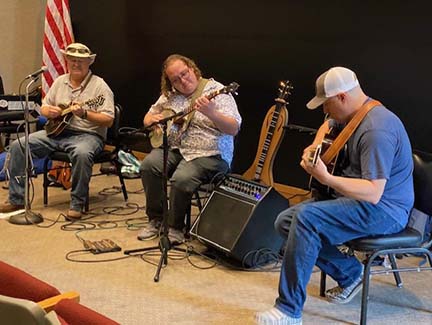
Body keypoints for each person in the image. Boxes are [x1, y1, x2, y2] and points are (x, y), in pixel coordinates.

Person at [255, 66, 414, 325]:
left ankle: (288, 310)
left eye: (326, 104)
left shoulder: (377, 129)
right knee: (285, 221)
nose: (324, 111)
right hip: (357, 201)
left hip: (385, 210)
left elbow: (373, 193)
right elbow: (328, 124)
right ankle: (351, 273)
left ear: (341, 97)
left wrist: (325, 178)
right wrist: (316, 146)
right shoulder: (353, 112)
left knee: (306, 217)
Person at [0, 42, 115, 220]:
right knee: (19, 145)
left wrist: (84, 113)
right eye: (72, 60)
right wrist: (49, 111)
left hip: (88, 135)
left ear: (89, 63)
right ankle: (17, 198)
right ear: (67, 61)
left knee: (82, 154)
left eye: (80, 61)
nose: (76, 64)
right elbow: (44, 107)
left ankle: (77, 204)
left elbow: (108, 119)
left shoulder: (100, 87)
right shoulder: (60, 81)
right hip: (57, 132)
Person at [138, 54, 241, 244]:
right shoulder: (170, 95)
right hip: (177, 148)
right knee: (148, 165)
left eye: (184, 74)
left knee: (182, 177)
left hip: (210, 154)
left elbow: (233, 128)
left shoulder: (218, 92)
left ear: (192, 69)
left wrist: (212, 112)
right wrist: (150, 120)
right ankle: (156, 219)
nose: (183, 81)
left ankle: (175, 227)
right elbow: (149, 115)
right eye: (176, 79)